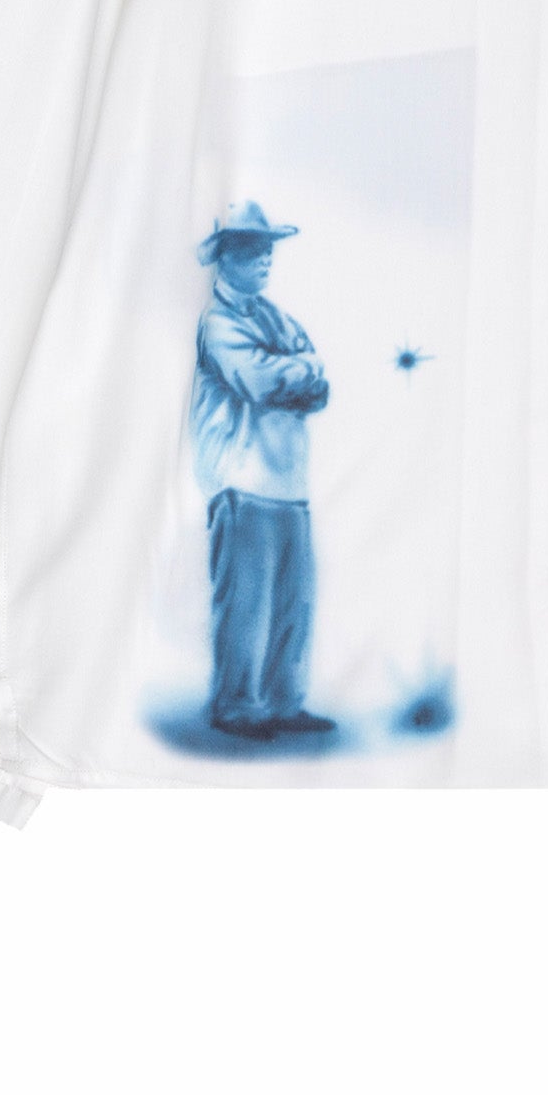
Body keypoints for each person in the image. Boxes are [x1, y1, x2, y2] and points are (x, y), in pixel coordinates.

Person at [187, 202, 335, 739]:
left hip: (289, 484)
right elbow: (256, 380)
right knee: (246, 602)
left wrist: (291, 374)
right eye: (252, 248)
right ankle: (235, 706)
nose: (265, 257)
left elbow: (319, 387)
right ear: (225, 257)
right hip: (242, 482)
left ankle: (283, 702)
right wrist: (297, 371)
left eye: (267, 248)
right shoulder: (217, 323)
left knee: (294, 600)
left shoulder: (276, 318)